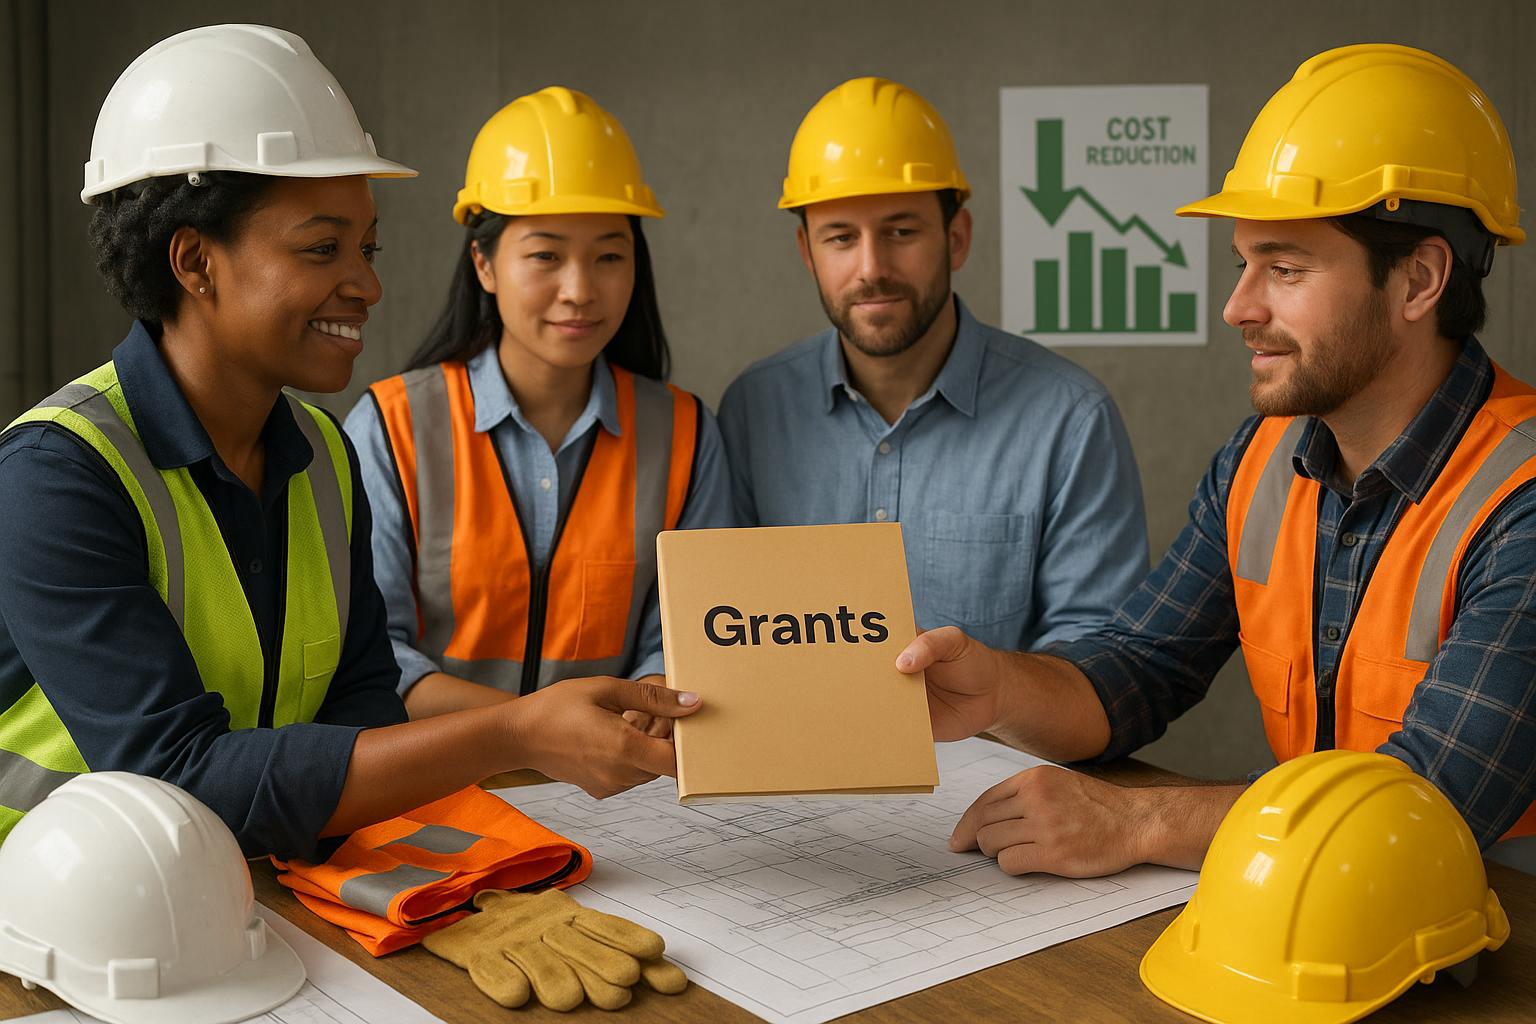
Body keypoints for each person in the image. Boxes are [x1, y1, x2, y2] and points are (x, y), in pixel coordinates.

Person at [0, 26, 699, 861]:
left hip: (238, 901)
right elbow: (179, 776)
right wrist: (514, 730)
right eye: (322, 248)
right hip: (45, 925)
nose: (367, 284)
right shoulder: (55, 477)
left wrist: (455, 877)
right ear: (195, 261)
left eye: (365, 248)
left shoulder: (321, 454)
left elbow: (363, 706)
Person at [898, 43, 1536, 876]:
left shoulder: (1519, 497)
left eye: (1285, 267)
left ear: (1418, 279)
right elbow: (1139, 670)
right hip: (1305, 910)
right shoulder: (1263, 460)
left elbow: (1428, 802)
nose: (1238, 306)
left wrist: (1136, 822)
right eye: (1244, 264)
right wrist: (999, 690)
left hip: (1497, 936)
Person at [717, 77, 1147, 652]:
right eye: (840, 238)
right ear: (807, 253)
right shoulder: (754, 410)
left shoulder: (1068, 420)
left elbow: (1096, 655)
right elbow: (723, 627)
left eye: (901, 231)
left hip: (1002, 744)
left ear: (957, 237)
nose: (872, 267)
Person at [344, 87, 733, 722]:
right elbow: (369, 654)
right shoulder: (394, 429)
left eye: (609, 255)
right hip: (436, 788)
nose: (580, 290)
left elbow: (693, 639)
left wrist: (649, 699)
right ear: (485, 263)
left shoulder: (686, 435)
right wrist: (533, 734)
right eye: (546, 255)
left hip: (621, 794)